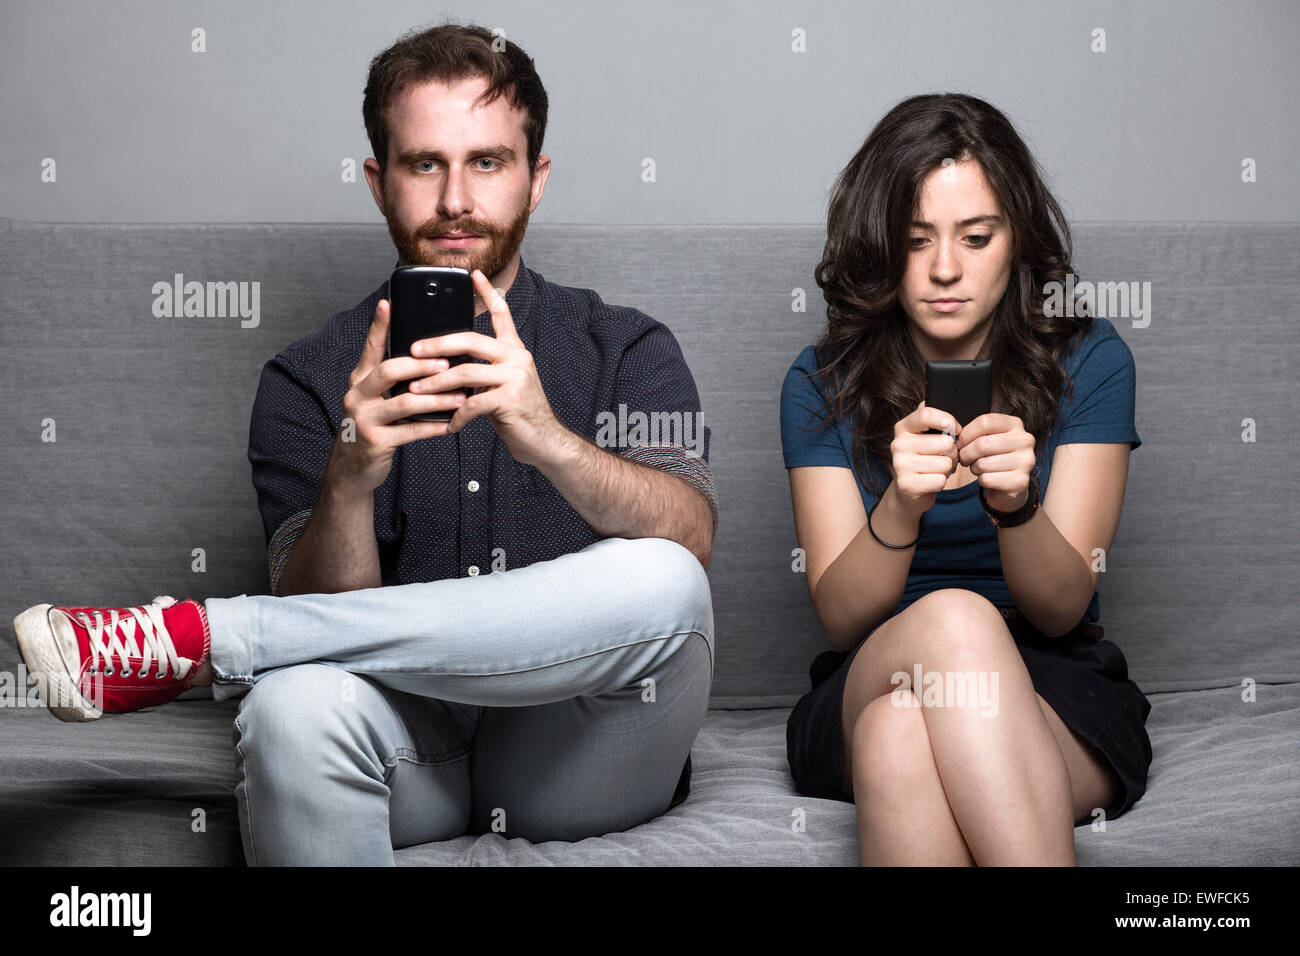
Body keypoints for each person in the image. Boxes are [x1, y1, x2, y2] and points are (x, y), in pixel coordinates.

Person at [12, 22, 718, 865]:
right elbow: (314, 604)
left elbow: (692, 538)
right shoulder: (307, 378)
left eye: (489, 162)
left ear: (536, 181)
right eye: (425, 164)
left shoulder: (625, 345)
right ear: (380, 184)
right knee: (285, 708)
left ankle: (208, 640)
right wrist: (350, 474)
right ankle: (230, 645)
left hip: (578, 754)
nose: (456, 199)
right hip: (403, 755)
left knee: (667, 578)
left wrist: (549, 441)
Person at [780, 92, 1152, 866]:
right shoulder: (824, 381)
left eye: (975, 237)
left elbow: (1059, 610)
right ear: (880, 247)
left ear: (1016, 240)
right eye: (915, 242)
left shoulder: (1091, 361)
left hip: (1051, 681)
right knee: (949, 623)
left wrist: (1016, 509)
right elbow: (844, 622)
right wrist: (900, 509)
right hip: (870, 673)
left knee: (901, 737)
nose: (945, 269)